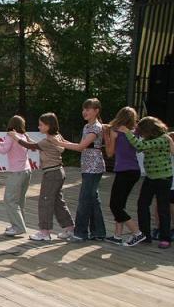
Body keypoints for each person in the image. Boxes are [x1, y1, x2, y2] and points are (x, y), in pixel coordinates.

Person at [13, 113, 75, 241]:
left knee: (45, 202)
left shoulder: (47, 141)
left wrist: (15, 137)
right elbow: (38, 145)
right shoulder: (57, 137)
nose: (39, 127)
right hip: (58, 172)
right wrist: (27, 137)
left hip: (51, 174)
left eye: (41, 125)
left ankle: (44, 232)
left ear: (48, 126)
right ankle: (70, 228)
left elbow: (31, 146)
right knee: (58, 202)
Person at [119, 116, 173, 249]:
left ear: (149, 129)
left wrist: (127, 132)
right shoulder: (149, 139)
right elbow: (139, 148)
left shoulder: (163, 139)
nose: (142, 134)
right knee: (142, 204)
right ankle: (146, 235)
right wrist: (133, 134)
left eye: (142, 131)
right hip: (150, 177)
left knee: (163, 208)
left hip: (163, 178)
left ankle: (165, 238)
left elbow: (140, 146)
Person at [58, 98, 106, 241]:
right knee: (93, 200)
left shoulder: (95, 127)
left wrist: (59, 142)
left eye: (88, 109)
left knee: (84, 200)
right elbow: (80, 145)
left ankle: (80, 233)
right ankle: (98, 232)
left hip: (94, 168)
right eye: (83, 109)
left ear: (96, 111)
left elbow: (80, 147)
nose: (84, 112)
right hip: (87, 167)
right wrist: (62, 141)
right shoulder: (87, 126)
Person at [102, 107, 145, 247]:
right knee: (120, 204)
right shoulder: (134, 132)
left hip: (123, 171)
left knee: (115, 206)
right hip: (134, 171)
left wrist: (106, 136)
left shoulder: (115, 131)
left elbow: (109, 153)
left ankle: (137, 233)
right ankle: (117, 236)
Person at [0, 115, 32, 236]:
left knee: (9, 200)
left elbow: (3, 150)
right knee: (20, 201)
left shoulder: (11, 135)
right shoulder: (23, 136)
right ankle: (19, 224)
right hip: (27, 171)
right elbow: (6, 145)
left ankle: (18, 227)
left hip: (16, 173)